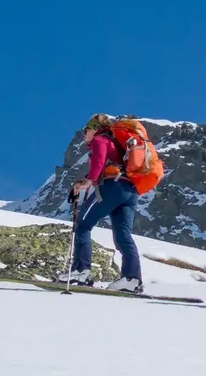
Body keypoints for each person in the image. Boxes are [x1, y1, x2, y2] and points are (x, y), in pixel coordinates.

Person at [61, 114, 145, 293]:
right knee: (123, 235)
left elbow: (99, 163)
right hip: (130, 191)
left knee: (83, 225)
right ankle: (132, 278)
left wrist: (87, 182)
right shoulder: (117, 145)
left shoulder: (100, 140)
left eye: (86, 130)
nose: (84, 134)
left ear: (94, 128)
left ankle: (80, 271)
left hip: (111, 187)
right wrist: (85, 181)